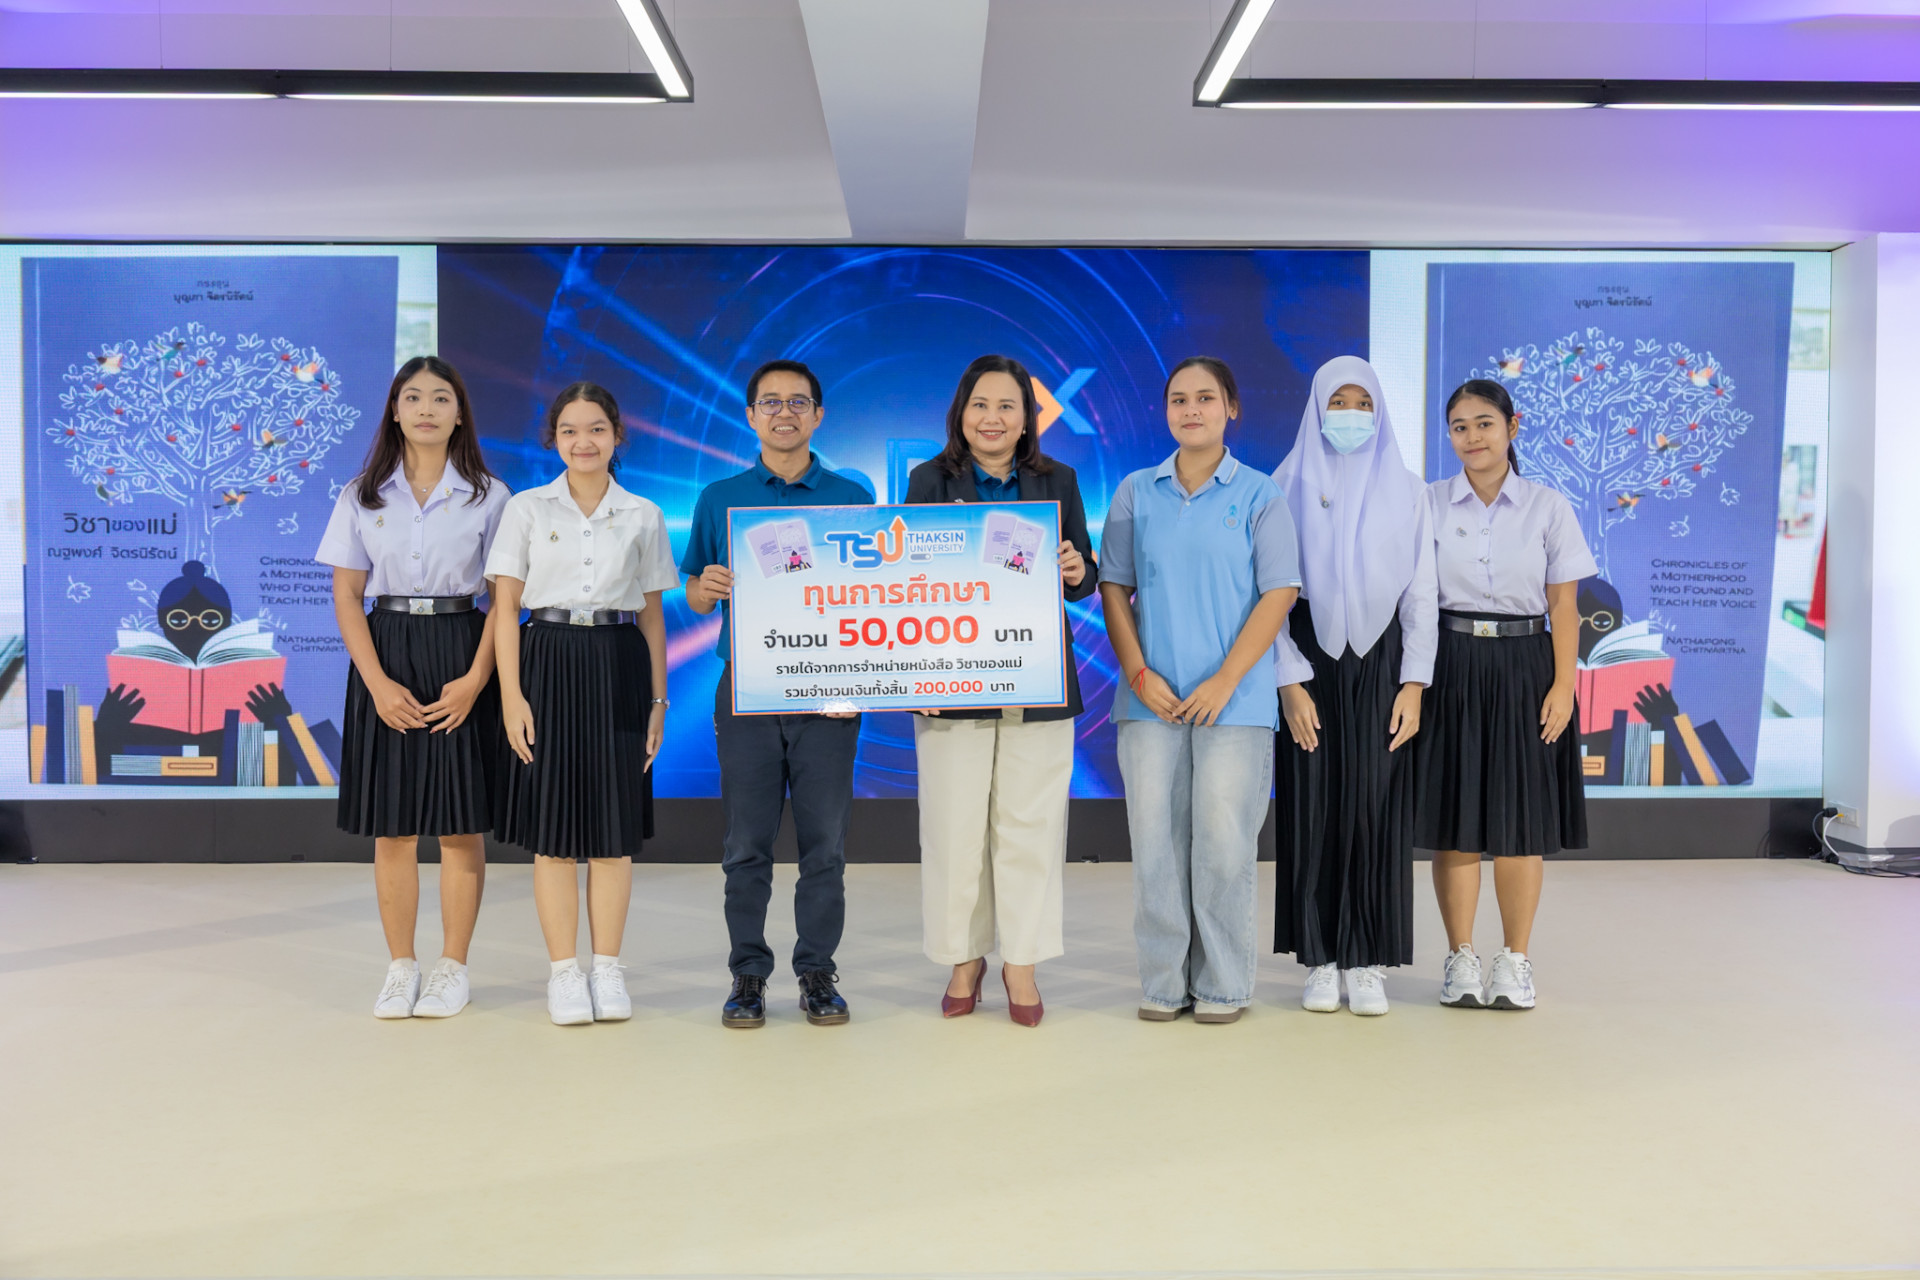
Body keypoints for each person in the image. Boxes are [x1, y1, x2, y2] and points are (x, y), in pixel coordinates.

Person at [1099, 356, 1301, 1024]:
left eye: (1206, 398)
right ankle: (1162, 984)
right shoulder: (1135, 492)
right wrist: (1138, 673)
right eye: (1179, 399)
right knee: (1156, 847)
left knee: (1222, 847)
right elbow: (1114, 587)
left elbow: (1279, 593)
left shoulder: (1261, 495)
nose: (1192, 410)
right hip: (1150, 701)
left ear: (1231, 408)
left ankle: (1222, 985)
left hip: (1234, 704)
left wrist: (1225, 680)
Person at [904, 355, 1097, 1027]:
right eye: (980, 404)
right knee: (954, 830)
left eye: (1007, 406)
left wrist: (1074, 566)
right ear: (961, 413)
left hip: (1035, 680)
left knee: (1030, 830)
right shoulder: (928, 480)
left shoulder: (1057, 480)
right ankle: (963, 959)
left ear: (1027, 418)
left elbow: (1084, 578)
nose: (992, 418)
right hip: (949, 682)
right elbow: (904, 585)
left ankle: (1022, 962)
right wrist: (915, 675)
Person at [682, 360, 873, 1029]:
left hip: (830, 689)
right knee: (746, 845)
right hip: (748, 689)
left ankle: (817, 971)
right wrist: (706, 586)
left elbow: (874, 594)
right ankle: (748, 973)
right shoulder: (720, 497)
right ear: (750, 415)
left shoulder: (852, 496)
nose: (783, 413)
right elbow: (694, 593)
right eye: (770, 402)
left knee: (826, 846)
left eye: (797, 402)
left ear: (818, 415)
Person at [317, 356, 510, 1020]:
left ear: (460, 413)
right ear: (395, 411)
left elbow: (503, 599)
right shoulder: (362, 494)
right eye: (414, 397)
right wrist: (376, 683)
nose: (427, 408)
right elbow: (347, 595)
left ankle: (453, 968)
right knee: (392, 827)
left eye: (441, 398)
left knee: (459, 824)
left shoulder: (491, 495)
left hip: (463, 646)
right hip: (387, 650)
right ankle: (401, 967)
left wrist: (476, 679)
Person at [486, 382, 675, 1026]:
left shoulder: (644, 514)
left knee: (614, 833)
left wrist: (658, 698)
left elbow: (652, 616)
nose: (583, 441)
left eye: (596, 429)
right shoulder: (526, 509)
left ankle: (608, 968)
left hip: (619, 663)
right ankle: (564, 972)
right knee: (554, 833)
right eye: (569, 430)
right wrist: (511, 694)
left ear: (617, 435)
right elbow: (504, 610)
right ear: (554, 438)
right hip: (546, 660)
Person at [1416, 378, 1596, 1011]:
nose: (1473, 437)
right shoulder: (1429, 503)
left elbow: (1564, 606)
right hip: (1450, 661)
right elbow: (1416, 598)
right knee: (1457, 820)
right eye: (1460, 427)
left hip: (1526, 665)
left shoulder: (1548, 506)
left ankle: (1515, 960)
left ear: (1512, 427)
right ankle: (1461, 957)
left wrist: (1564, 686)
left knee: (1520, 821)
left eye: (1485, 423)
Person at [1270, 356, 1437, 1017]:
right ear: (1316, 408)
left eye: (1362, 403)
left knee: (1377, 803)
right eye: (1337, 402)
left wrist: (1415, 681)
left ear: (1379, 410)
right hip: (1307, 655)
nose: (1350, 414)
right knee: (1313, 802)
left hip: (1382, 659)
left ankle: (1366, 959)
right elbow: (1266, 593)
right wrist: (1287, 677)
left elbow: (1421, 594)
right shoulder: (1283, 483)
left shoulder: (1409, 490)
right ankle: (1320, 957)